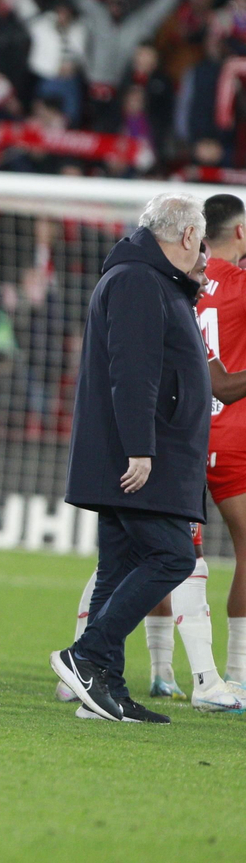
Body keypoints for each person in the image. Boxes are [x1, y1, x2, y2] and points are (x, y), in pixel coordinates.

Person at [51, 195, 210, 724]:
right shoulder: (141, 282)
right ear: (186, 237)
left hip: (136, 451)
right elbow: (134, 371)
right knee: (173, 557)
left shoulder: (148, 279)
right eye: (202, 240)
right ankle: (86, 656)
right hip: (138, 456)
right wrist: (140, 447)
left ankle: (105, 691)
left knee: (118, 568)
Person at [195, 194, 246, 696]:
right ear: (239, 233)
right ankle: (238, 672)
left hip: (182, 435)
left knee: (162, 555)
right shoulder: (241, 286)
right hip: (233, 433)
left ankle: (164, 669)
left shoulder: (178, 278)